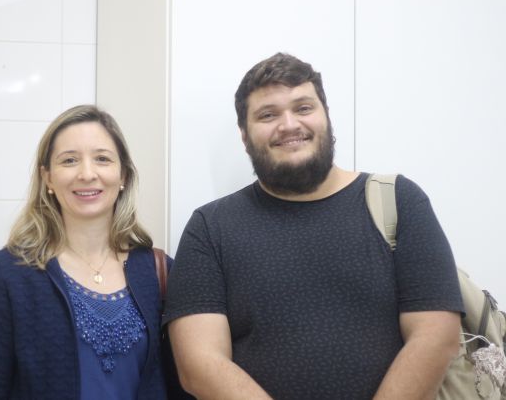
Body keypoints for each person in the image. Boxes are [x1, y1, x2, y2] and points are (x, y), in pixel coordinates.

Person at [163, 53, 464, 400]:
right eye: (268, 115)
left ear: (326, 116)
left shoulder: (399, 201)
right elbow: (199, 364)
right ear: (244, 136)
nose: (289, 125)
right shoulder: (210, 227)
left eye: (303, 108)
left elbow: (436, 336)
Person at [0, 105, 181, 399]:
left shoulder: (159, 272)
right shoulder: (8, 275)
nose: (87, 174)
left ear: (123, 176)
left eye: (102, 159)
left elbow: (184, 385)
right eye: (69, 160)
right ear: (48, 178)